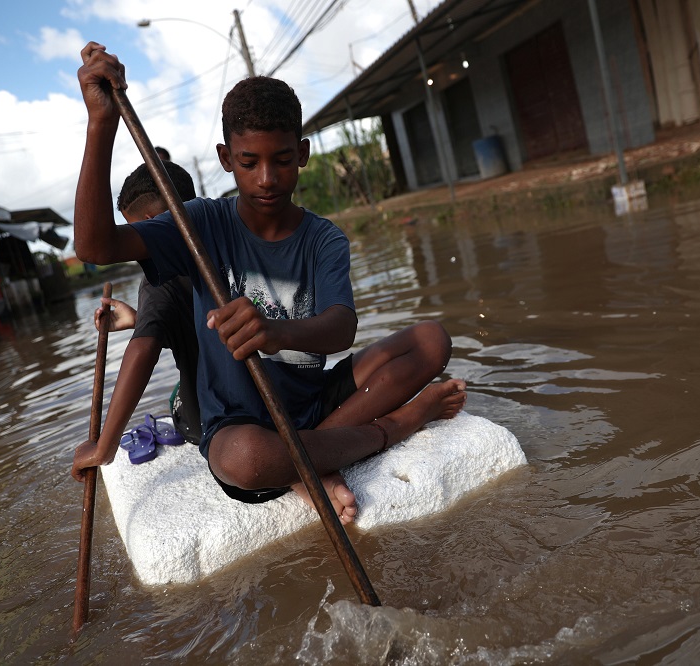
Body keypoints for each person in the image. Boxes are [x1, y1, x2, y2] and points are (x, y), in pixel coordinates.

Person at [73, 42, 466, 524]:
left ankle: (306, 459)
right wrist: (101, 123)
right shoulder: (201, 223)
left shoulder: (323, 237)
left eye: (281, 160)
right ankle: (396, 426)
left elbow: (342, 328)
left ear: (302, 154)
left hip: (313, 400)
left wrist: (276, 332)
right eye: (248, 162)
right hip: (241, 424)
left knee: (430, 340)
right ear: (224, 158)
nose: (266, 179)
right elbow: (95, 248)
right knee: (247, 461)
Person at [71, 161, 200, 480]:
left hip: (210, 419)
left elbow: (143, 352)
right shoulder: (228, 233)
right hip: (271, 388)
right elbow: (200, 325)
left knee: (176, 399)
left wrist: (105, 446)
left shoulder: (159, 278)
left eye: (134, 230)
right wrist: (140, 319)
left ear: (150, 224)